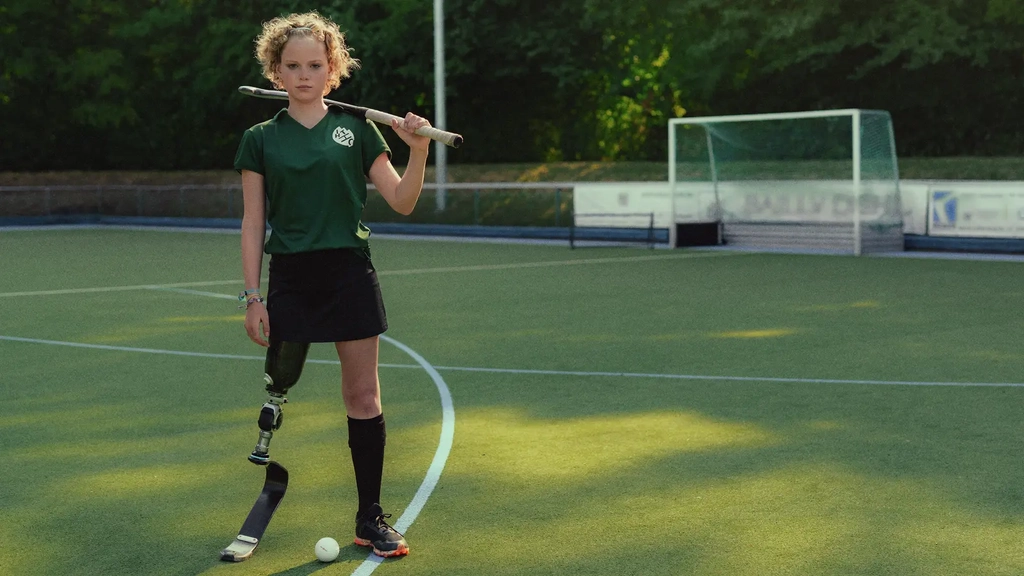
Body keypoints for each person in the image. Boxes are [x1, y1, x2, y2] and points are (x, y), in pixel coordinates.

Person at [233, 10, 430, 559]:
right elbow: (253, 221)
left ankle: (370, 517)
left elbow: (403, 200)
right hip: (291, 276)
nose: (303, 74)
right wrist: (252, 296)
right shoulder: (260, 140)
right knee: (279, 386)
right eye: (292, 65)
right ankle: (266, 456)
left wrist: (418, 151)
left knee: (363, 395)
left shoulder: (357, 130)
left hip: (348, 272)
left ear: (332, 69)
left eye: (315, 65)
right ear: (275, 71)